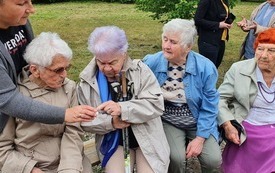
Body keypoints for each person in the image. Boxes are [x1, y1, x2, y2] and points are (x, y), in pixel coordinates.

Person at [77, 26, 170, 173]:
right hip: (114, 142)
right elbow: (84, 121)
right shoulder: (87, 80)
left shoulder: (141, 71)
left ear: (124, 55)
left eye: (112, 63)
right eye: (101, 62)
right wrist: (111, 122)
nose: (106, 69)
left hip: (147, 138)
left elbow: (156, 104)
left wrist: (123, 108)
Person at [0, 32, 92, 173]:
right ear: (35, 70)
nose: (64, 75)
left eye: (67, 68)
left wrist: (69, 169)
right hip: (31, 166)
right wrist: (30, 169)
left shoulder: (69, 87)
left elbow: (73, 134)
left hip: (69, 162)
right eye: (58, 70)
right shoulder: (14, 98)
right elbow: (3, 149)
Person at [0, 0, 97, 134]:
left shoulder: (20, 22)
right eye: (21, 4)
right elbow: (8, 100)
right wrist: (64, 114)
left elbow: (33, 58)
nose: (31, 9)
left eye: (30, 1)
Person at [143, 18, 221, 173]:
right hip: (168, 119)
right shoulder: (151, 62)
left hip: (197, 118)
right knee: (175, 158)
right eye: (165, 39)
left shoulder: (205, 67)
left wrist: (200, 138)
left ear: (188, 47)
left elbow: (210, 106)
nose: (166, 45)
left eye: (173, 42)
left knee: (213, 160)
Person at [218, 28, 275, 172]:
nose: (263, 55)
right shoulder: (239, 69)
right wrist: (227, 125)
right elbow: (219, 99)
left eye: (271, 51)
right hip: (247, 124)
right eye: (260, 49)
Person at [194, 0, 234, 68]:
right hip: (208, 41)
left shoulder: (224, 1)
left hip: (220, 40)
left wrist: (228, 22)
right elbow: (197, 20)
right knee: (208, 69)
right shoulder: (206, 1)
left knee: (215, 68)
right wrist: (218, 25)